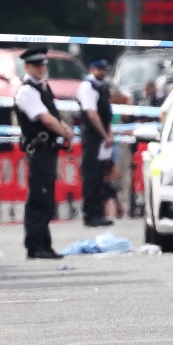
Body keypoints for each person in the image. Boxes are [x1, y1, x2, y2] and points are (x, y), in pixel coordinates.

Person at [14, 48, 73, 259]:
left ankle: (44, 244)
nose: (41, 69)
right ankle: (35, 245)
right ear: (27, 67)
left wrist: (65, 129)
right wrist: (65, 132)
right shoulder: (27, 91)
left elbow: (53, 114)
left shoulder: (42, 88)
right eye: (37, 65)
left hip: (48, 150)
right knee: (39, 198)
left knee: (46, 198)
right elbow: (45, 119)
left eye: (43, 65)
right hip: (39, 150)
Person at [76, 59, 115, 228]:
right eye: (99, 69)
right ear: (92, 69)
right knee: (91, 175)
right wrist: (104, 134)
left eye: (104, 69)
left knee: (100, 175)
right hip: (93, 136)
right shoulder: (88, 87)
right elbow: (91, 114)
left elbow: (106, 114)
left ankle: (98, 212)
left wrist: (109, 134)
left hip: (101, 136)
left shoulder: (102, 87)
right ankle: (90, 214)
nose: (102, 72)